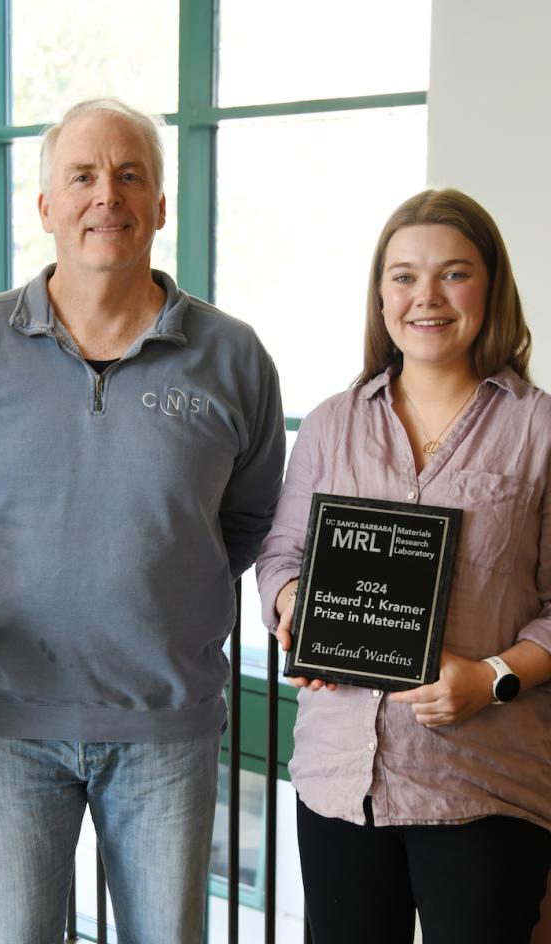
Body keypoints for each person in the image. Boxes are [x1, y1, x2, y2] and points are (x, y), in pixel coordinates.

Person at [0, 98, 285, 943]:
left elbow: (250, 514)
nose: (104, 196)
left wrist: (157, 583)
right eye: (81, 176)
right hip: (9, 724)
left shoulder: (234, 358)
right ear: (45, 207)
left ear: (160, 206)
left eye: (129, 175)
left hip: (165, 727)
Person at [256, 188, 551, 943]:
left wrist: (489, 677)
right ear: (380, 294)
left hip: (482, 784)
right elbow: (282, 556)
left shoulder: (539, 431)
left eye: (453, 274)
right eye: (403, 276)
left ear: (491, 287)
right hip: (338, 783)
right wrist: (297, 609)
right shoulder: (331, 423)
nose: (426, 297)